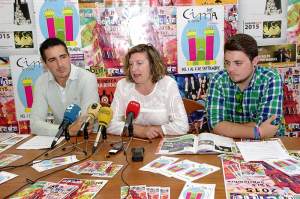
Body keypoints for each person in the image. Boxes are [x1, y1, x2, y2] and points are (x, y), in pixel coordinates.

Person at [206, 33, 284, 139]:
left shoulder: (270, 78)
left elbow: (270, 127)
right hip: (230, 146)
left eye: (238, 63)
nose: (230, 69)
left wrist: (228, 127)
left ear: (255, 61)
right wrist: (258, 132)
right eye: (227, 63)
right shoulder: (218, 79)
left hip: (267, 146)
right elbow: (215, 125)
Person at [107, 44, 189, 139]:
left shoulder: (167, 84)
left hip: (161, 146)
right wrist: (140, 131)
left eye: (139, 63)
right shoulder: (123, 85)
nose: (133, 69)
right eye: (131, 64)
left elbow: (182, 126)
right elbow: (110, 124)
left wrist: (156, 130)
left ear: (152, 64)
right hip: (131, 146)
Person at [30, 38, 99, 136]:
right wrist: (66, 130)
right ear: (45, 64)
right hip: (61, 139)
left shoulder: (87, 78)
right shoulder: (41, 82)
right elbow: (35, 124)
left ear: (69, 56)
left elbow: (85, 122)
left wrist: (65, 130)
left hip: (88, 138)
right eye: (52, 60)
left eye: (63, 57)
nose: (60, 64)